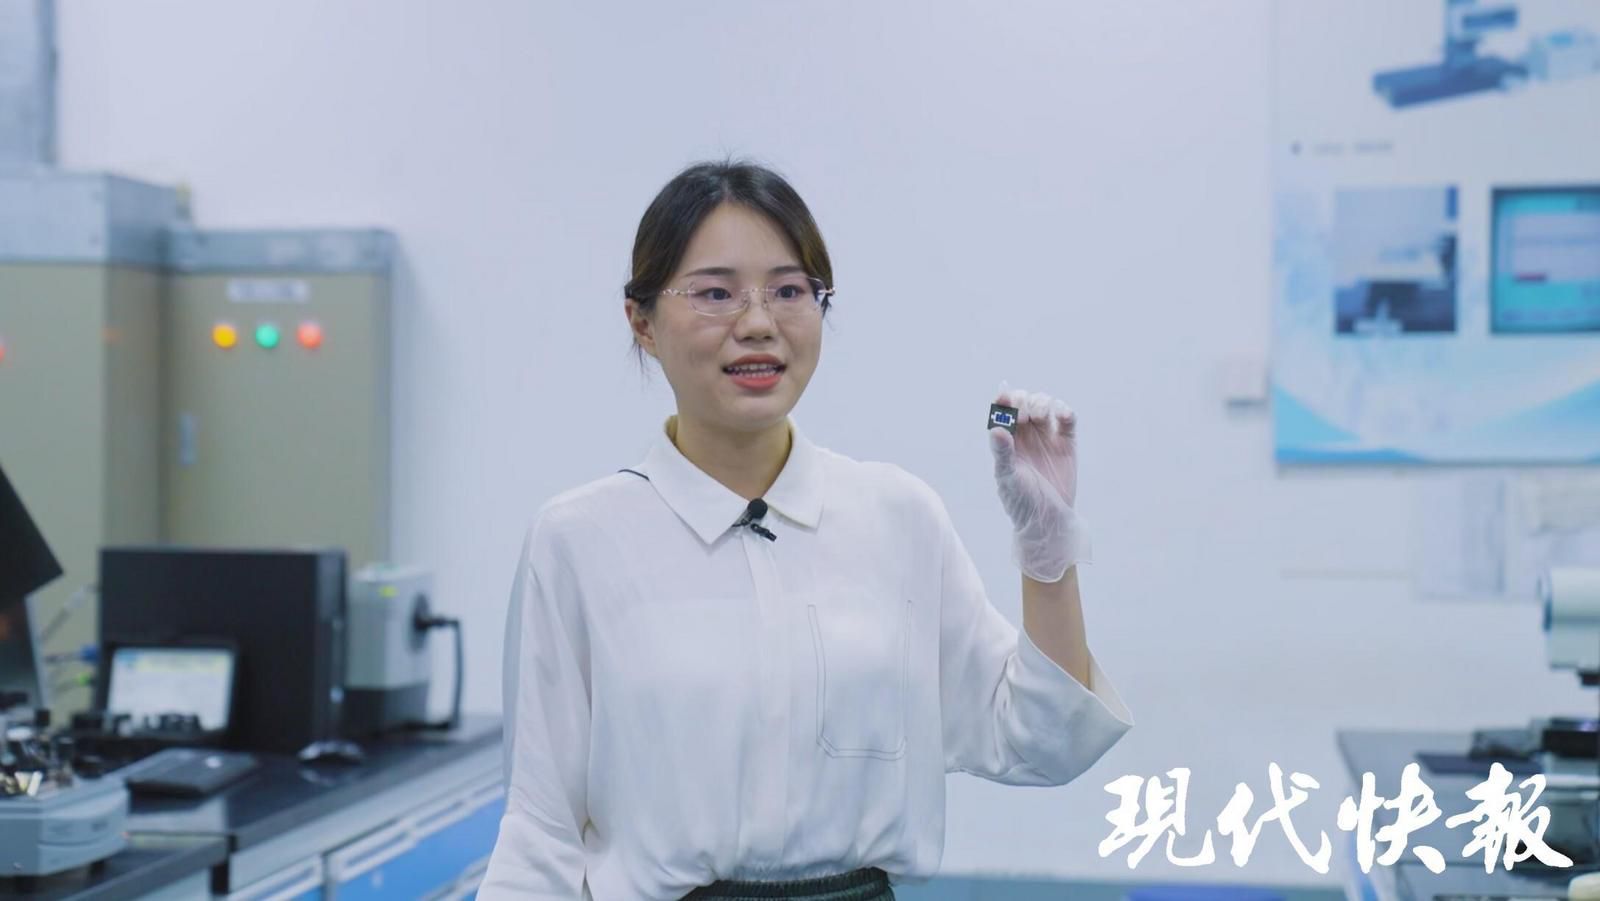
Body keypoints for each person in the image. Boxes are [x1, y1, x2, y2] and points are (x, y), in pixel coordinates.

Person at [479, 158, 1134, 900]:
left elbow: (1043, 739)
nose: (758, 323)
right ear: (642, 321)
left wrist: (1048, 553)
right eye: (715, 293)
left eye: (790, 291)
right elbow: (540, 830)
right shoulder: (580, 540)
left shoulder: (898, 517)